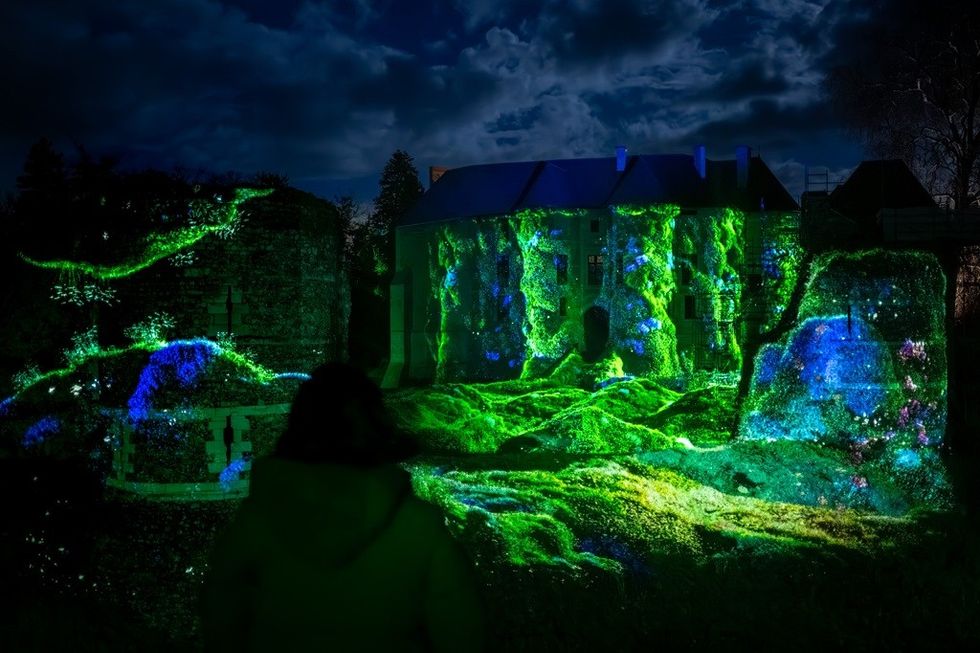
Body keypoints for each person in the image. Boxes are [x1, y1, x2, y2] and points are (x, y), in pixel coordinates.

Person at [201, 363, 484, 652]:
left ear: (297, 428)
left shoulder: (256, 522)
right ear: (379, 427)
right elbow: (462, 634)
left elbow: (221, 623)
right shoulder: (420, 525)